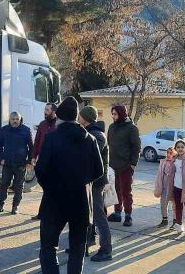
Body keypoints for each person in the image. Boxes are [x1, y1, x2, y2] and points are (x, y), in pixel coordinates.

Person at [36, 97, 103, 274]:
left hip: (54, 200)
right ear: (76, 117)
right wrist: (81, 182)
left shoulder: (51, 138)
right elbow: (99, 170)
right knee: (77, 248)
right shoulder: (89, 139)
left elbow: (41, 169)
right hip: (80, 200)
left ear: (58, 117)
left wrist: (51, 187)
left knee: (48, 246)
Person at [78, 106, 112, 262]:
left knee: (99, 216)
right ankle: (86, 242)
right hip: (88, 180)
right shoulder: (90, 133)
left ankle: (106, 250)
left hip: (96, 181)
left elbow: (88, 156)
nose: (78, 118)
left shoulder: (97, 135)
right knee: (86, 213)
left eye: (80, 116)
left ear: (85, 118)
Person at [157, 139, 185, 237]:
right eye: (178, 147)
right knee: (178, 207)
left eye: (182, 147)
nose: (180, 149)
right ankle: (179, 224)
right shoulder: (175, 158)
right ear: (175, 149)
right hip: (176, 187)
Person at [0, 111, 33, 215]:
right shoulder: (4, 130)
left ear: (20, 120)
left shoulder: (26, 130)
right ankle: (0, 205)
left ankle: (15, 206)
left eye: (17, 119)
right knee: (4, 184)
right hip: (8, 163)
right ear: (9, 120)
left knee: (18, 186)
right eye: (13, 119)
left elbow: (31, 147)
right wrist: (1, 158)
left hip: (21, 164)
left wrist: (29, 161)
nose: (15, 121)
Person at [106, 105, 141, 227]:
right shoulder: (111, 127)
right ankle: (117, 214)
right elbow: (109, 144)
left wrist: (132, 164)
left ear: (121, 114)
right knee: (116, 191)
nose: (113, 116)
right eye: (112, 114)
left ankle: (128, 215)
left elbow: (136, 147)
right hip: (113, 165)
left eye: (115, 114)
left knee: (126, 191)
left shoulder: (131, 128)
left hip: (126, 166)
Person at [31, 102, 58, 220]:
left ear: (53, 111)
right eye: (45, 109)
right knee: (46, 188)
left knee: (52, 188)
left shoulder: (59, 124)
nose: (45, 112)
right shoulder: (42, 124)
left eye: (47, 110)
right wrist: (33, 156)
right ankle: (43, 213)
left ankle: (51, 213)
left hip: (55, 161)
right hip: (43, 161)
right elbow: (37, 142)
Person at [154, 147, 176, 230]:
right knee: (163, 203)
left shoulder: (176, 162)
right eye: (168, 152)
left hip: (174, 187)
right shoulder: (163, 162)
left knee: (175, 205)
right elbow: (159, 175)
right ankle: (164, 220)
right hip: (164, 186)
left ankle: (175, 221)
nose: (169, 154)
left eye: (171, 153)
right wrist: (158, 185)